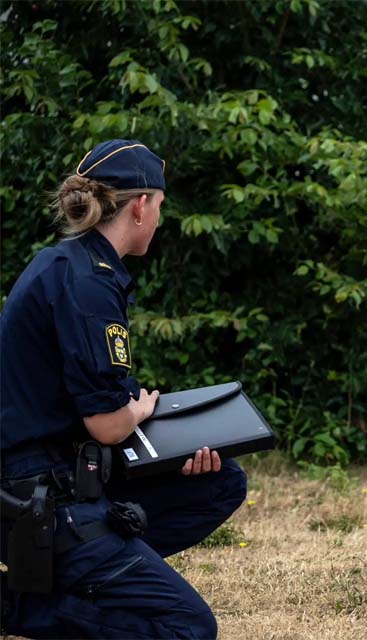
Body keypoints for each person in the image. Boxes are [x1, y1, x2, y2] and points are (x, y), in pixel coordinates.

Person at [0, 140, 247, 638]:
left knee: (221, 480)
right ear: (140, 206)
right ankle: (18, 607)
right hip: (42, 498)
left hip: (61, 475)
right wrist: (140, 410)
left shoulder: (66, 264)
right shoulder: (89, 284)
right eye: (160, 206)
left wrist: (165, 444)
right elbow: (109, 426)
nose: (158, 218)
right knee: (188, 628)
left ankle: (91, 573)